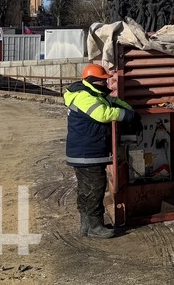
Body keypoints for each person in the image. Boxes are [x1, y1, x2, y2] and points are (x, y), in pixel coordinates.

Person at [63, 63, 138, 239]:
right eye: (103, 81)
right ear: (93, 81)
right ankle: (95, 227)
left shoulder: (90, 94)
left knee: (86, 189)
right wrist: (126, 116)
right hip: (87, 153)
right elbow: (102, 114)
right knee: (95, 188)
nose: (105, 84)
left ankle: (86, 226)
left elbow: (111, 101)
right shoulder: (84, 97)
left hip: (85, 152)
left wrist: (127, 107)